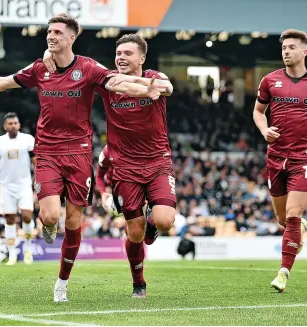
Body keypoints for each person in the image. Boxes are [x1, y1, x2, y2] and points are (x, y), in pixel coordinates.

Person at [0, 13, 162, 302]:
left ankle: (62, 282)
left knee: (73, 222)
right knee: (50, 215)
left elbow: (117, 83)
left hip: (80, 153)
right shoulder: (40, 68)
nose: (51, 36)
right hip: (47, 152)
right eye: (49, 32)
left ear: (71, 38)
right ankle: (48, 225)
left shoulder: (88, 68)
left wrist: (146, 89)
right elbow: (1, 83)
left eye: (58, 32)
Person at [44, 33, 176, 298]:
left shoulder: (155, 77)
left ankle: (153, 222)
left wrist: (153, 86)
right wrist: (51, 56)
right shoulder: (107, 80)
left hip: (157, 162)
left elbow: (168, 87)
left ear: (142, 57)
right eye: (119, 53)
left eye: (128, 53)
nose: (121, 57)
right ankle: (138, 282)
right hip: (125, 166)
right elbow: (72, 65)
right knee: (134, 233)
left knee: (164, 222)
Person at [253, 29, 307, 292]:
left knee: (292, 214)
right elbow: (258, 112)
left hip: (305, 158)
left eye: (291, 47)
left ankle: (283, 272)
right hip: (276, 157)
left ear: (305, 51)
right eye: (283, 48)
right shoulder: (270, 81)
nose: (286, 51)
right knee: (282, 218)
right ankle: (296, 228)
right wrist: (264, 130)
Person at [0, 112, 36, 265]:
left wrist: (38, 183)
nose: (13, 126)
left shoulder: (28, 140)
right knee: (9, 219)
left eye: (15, 123)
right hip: (5, 186)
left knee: (27, 216)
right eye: (10, 123)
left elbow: (36, 163)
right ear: (5, 126)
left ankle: (28, 249)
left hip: (24, 185)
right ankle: (12, 254)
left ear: (19, 125)